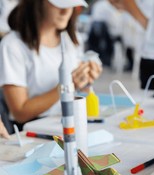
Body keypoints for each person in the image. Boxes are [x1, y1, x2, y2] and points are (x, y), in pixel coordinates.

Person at [0, 0, 102, 131]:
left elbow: (79, 92)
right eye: (60, 5)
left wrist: (86, 79)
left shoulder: (71, 39)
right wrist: (67, 86)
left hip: (67, 123)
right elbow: (20, 112)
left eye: (70, 5)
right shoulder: (12, 45)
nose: (66, 11)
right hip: (33, 130)